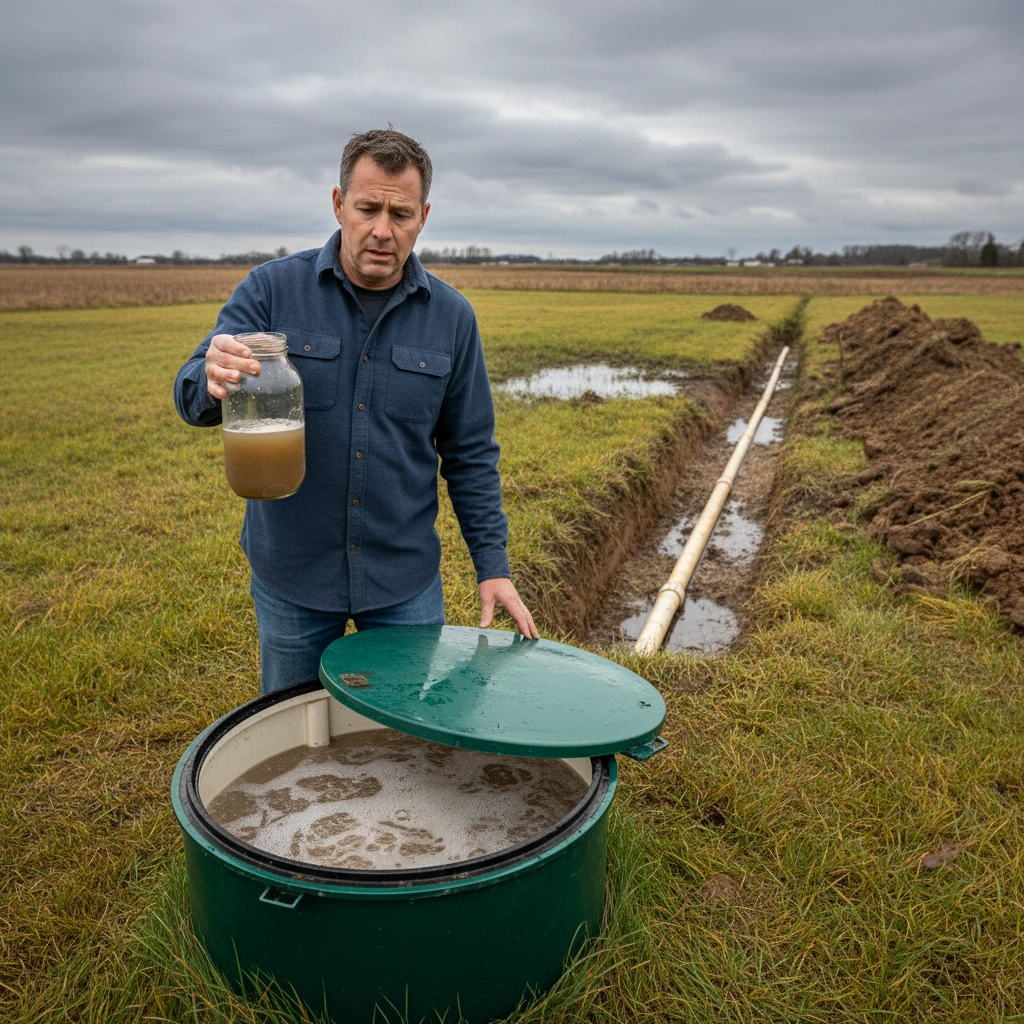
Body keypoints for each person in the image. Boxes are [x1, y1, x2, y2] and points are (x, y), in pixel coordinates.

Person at [174, 129, 538, 694]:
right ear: (339, 203)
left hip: (404, 582)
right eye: (367, 208)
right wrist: (210, 375)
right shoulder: (272, 290)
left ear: (424, 217)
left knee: (401, 734)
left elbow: (470, 454)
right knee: (294, 736)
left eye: (401, 213)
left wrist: (492, 565)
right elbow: (191, 394)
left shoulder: (453, 318)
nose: (382, 230)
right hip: (293, 575)